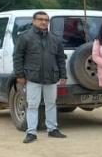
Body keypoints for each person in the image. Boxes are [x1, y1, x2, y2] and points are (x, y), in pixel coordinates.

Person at [13, 11, 67, 143]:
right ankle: (31, 132)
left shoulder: (55, 38)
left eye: (46, 20)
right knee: (32, 105)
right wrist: (19, 74)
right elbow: (17, 56)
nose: (43, 22)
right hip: (32, 77)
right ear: (33, 21)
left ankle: (52, 129)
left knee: (51, 104)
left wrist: (63, 75)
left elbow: (60, 58)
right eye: (40, 19)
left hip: (51, 76)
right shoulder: (25, 37)